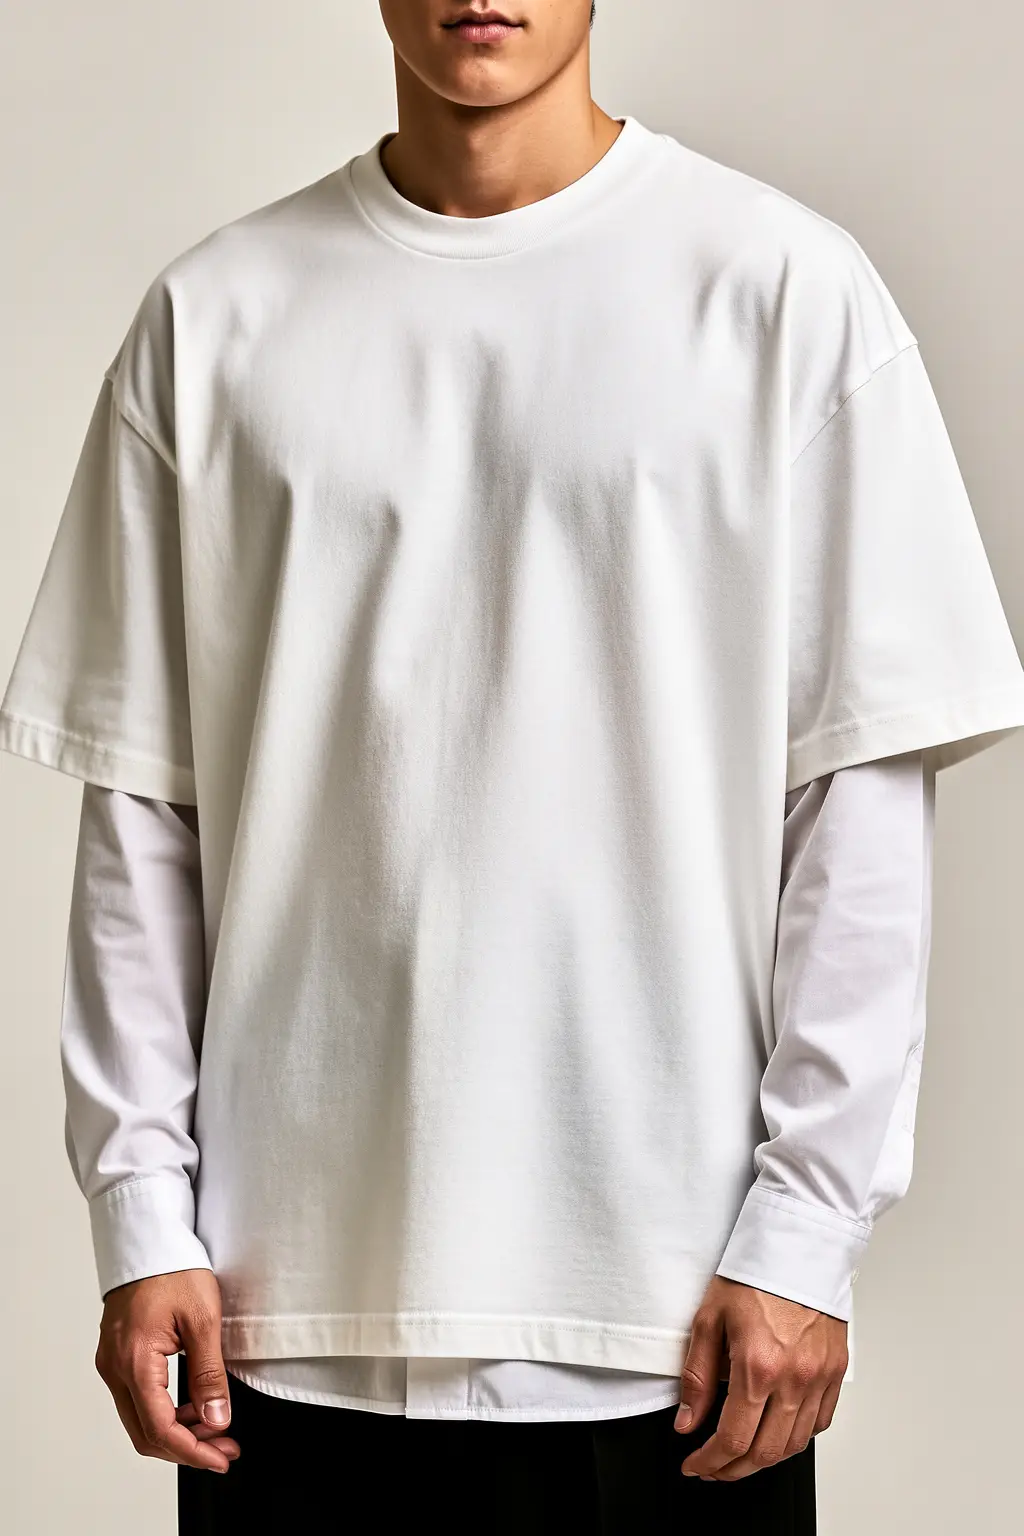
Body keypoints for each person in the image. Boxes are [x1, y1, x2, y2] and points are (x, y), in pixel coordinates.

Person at [3, 3, 1023, 1531]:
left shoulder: (785, 296)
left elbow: (856, 807)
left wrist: (806, 1236)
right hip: (286, 1327)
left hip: (677, 1326)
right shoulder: (213, 320)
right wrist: (141, 1214)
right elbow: (147, 812)